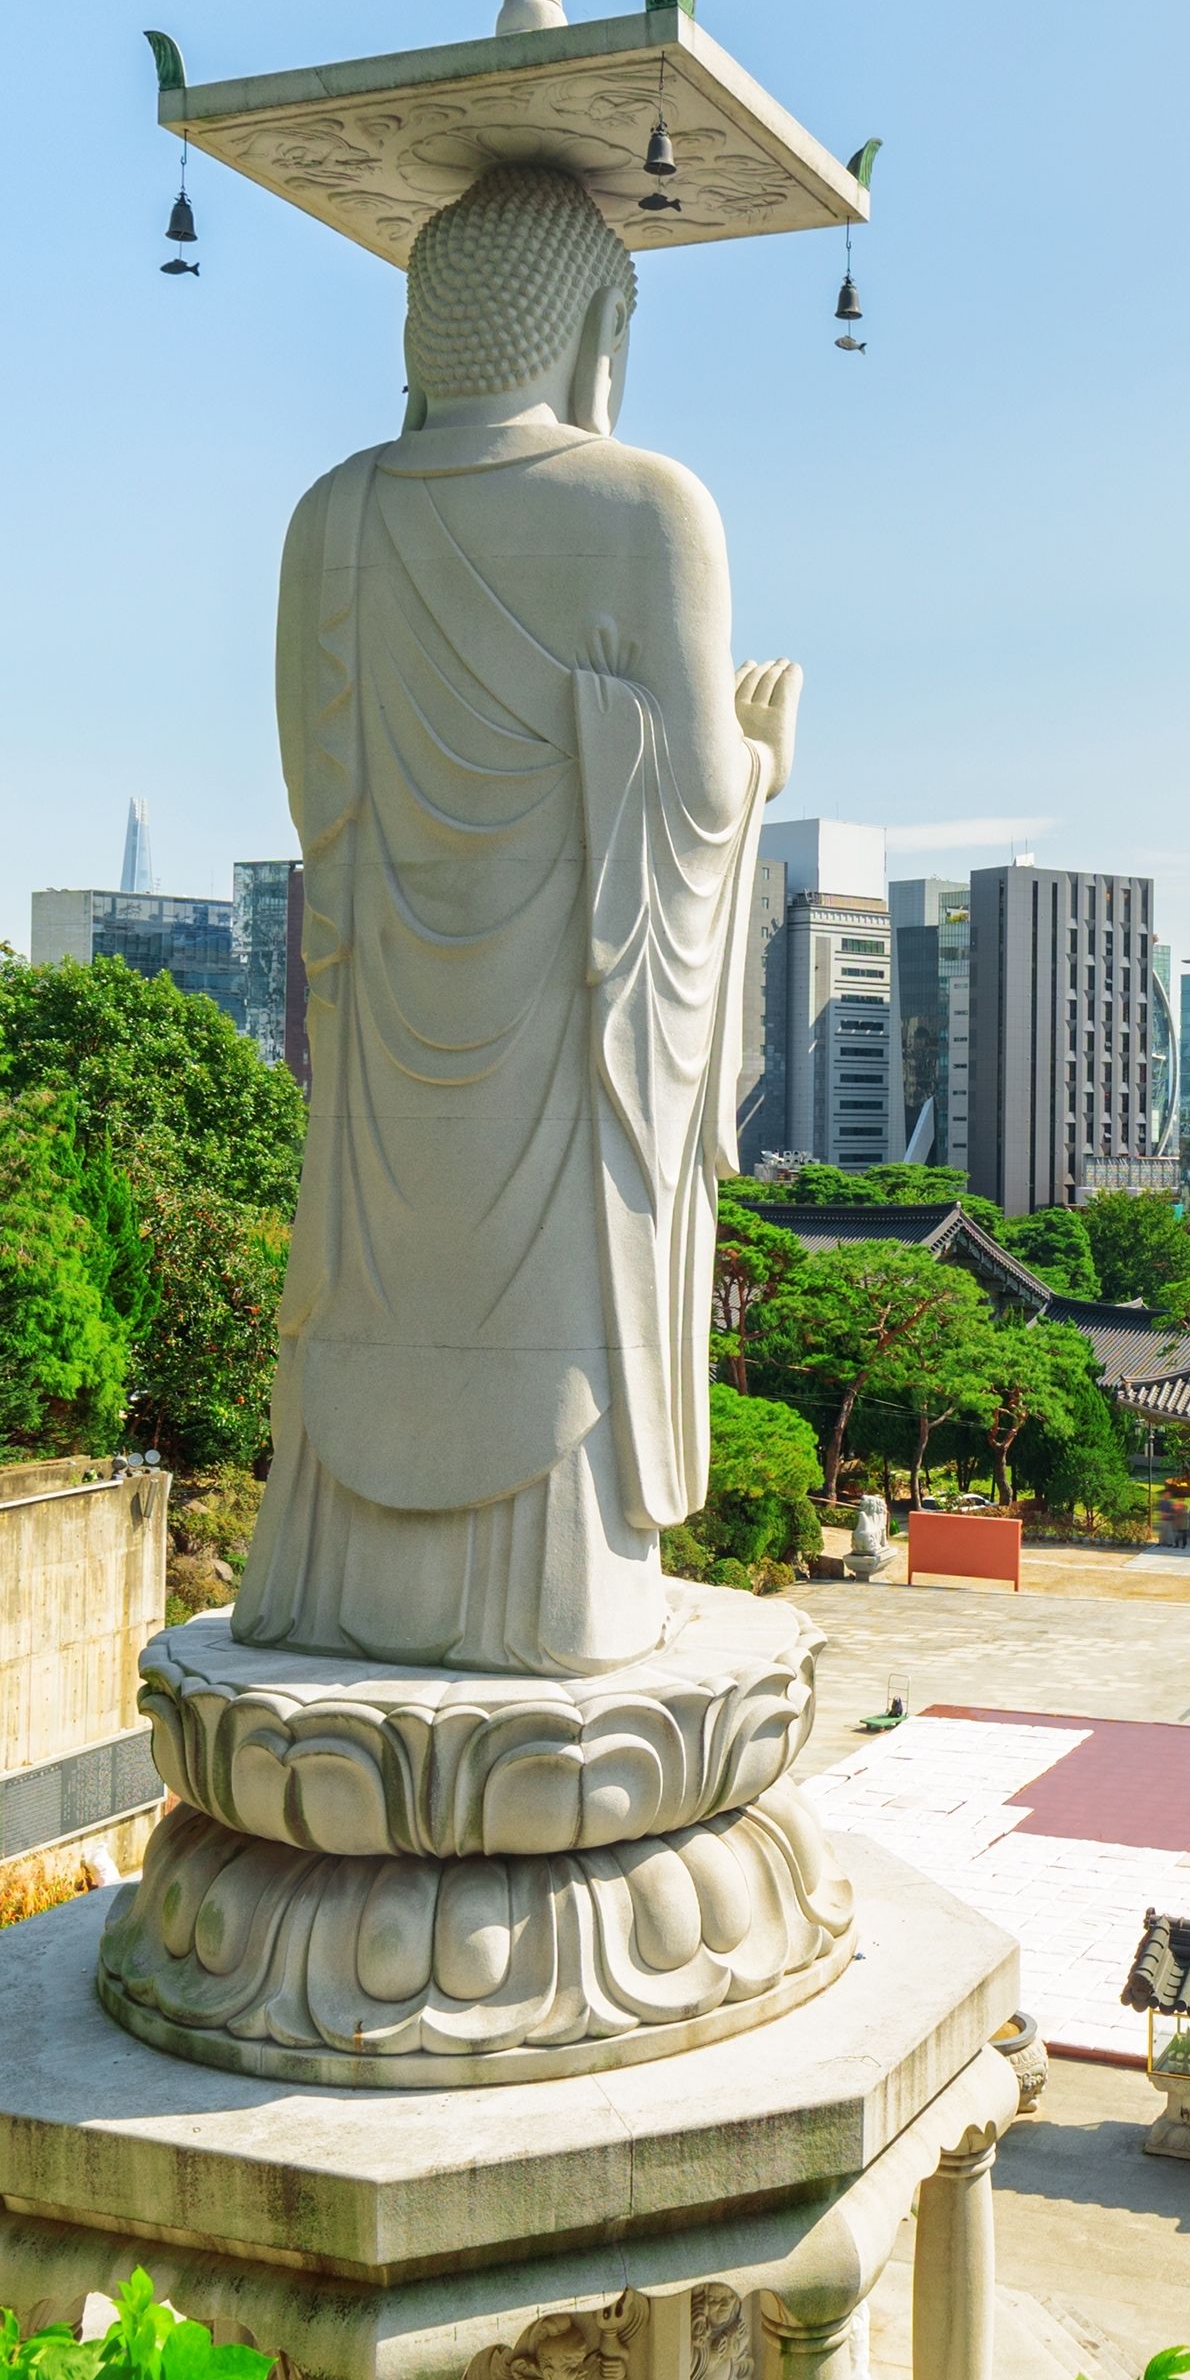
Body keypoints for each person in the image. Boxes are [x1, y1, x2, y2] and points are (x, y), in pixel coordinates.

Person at [240, 159, 791, 1677]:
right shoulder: (645, 506)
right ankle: (553, 1604)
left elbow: (319, 808)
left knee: (363, 1293)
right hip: (559, 1046)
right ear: (596, 328)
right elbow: (688, 798)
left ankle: (339, 1580)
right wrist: (758, 765)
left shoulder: (328, 515)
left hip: (378, 1070)